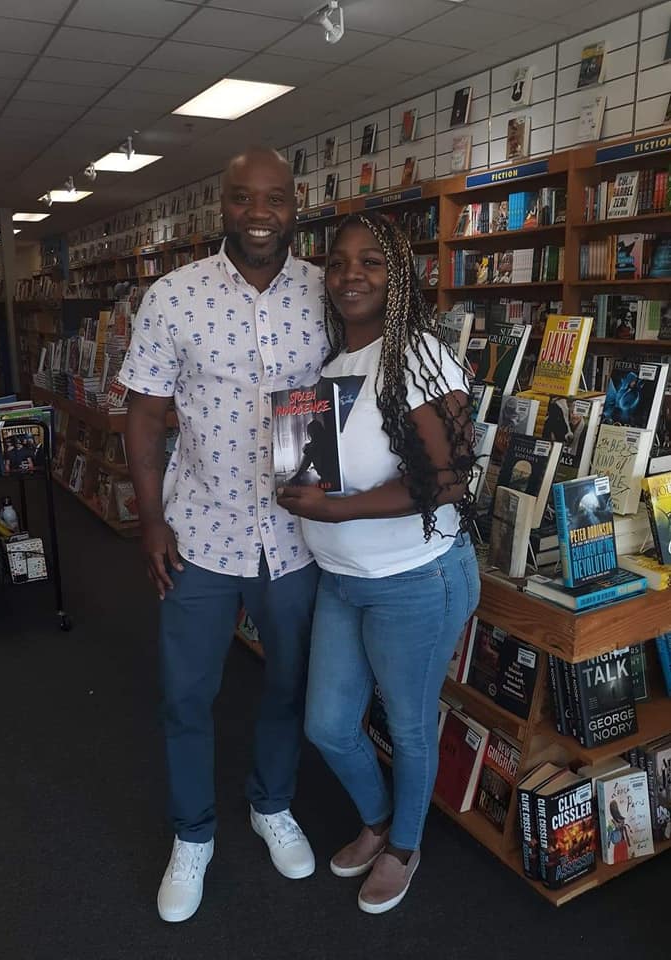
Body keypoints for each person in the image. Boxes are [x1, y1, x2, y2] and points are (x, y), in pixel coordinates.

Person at [119, 147, 328, 923]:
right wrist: (150, 521)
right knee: (186, 694)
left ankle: (271, 804)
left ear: (295, 205)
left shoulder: (326, 291)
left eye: (275, 198)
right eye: (243, 198)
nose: (260, 214)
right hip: (199, 533)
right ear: (223, 206)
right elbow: (145, 414)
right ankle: (193, 834)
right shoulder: (173, 296)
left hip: (297, 538)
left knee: (288, 684)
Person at [277, 212, 480, 914]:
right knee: (328, 726)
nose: (350, 275)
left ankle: (404, 846)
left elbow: (450, 480)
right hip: (342, 580)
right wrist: (300, 487)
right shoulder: (332, 369)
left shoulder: (418, 355)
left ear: (398, 278)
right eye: (337, 262)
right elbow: (330, 473)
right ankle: (378, 820)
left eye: (370, 261)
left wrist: (338, 511)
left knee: (410, 725)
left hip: (414, 578)